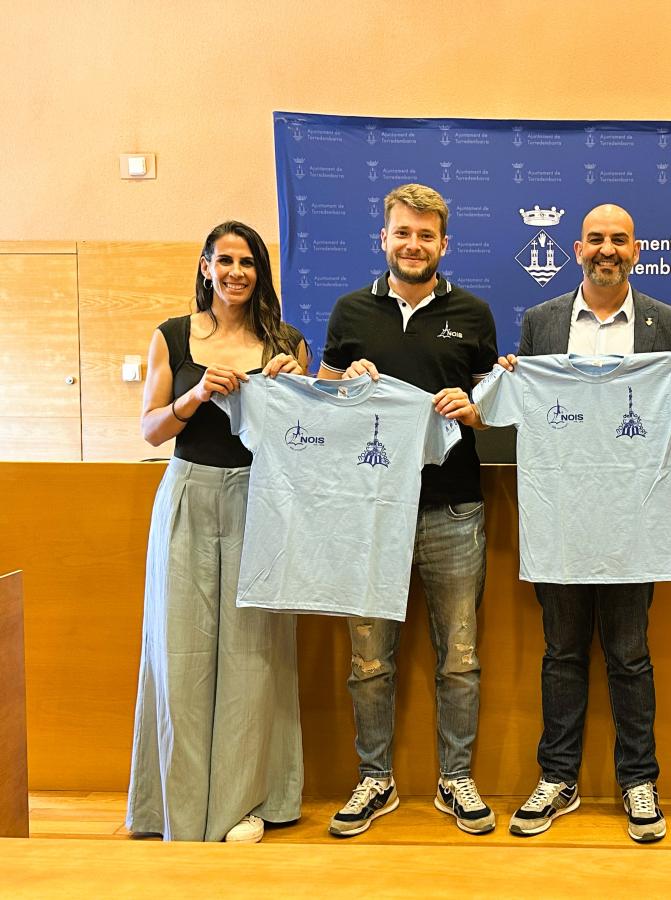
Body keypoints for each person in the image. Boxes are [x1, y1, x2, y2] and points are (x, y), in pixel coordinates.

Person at [497, 203, 671, 844]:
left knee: (630, 656)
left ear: (636, 251)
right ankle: (557, 778)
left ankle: (638, 780)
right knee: (561, 653)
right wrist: (511, 377)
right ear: (577, 249)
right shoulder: (541, 321)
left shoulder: (668, 323)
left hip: (631, 521)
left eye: (618, 239)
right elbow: (520, 413)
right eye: (595, 239)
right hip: (559, 517)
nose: (606, 249)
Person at [316, 184, 498, 837]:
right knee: (369, 661)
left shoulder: (474, 314)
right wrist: (342, 386)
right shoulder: (349, 311)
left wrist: (472, 410)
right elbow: (322, 403)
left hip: (454, 510)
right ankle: (375, 779)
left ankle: (455, 778)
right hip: (368, 511)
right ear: (384, 238)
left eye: (426, 235)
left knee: (460, 657)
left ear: (444, 244)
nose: (413, 245)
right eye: (403, 233)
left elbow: (494, 410)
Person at [126, 221, 308, 843]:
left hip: (261, 499)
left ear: (260, 272)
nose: (236, 272)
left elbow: (300, 441)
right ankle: (172, 807)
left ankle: (242, 805)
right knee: (179, 650)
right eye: (225, 260)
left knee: (255, 653)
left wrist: (298, 388)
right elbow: (151, 429)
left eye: (248, 262)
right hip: (188, 493)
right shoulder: (172, 336)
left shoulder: (285, 341)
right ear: (205, 266)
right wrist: (196, 396)